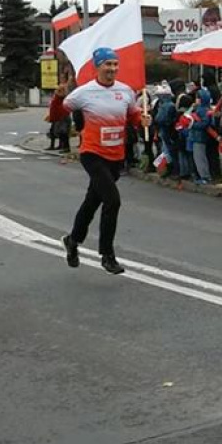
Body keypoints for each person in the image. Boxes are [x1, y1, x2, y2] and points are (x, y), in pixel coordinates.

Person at [60, 47, 144, 275]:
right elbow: (63, 108)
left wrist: (141, 119)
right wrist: (73, 120)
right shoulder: (84, 93)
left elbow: (133, 114)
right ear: (97, 67)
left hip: (115, 155)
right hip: (92, 153)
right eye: (107, 64)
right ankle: (107, 255)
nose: (112, 69)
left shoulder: (126, 91)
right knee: (112, 201)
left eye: (115, 64)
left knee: (92, 202)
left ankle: (73, 240)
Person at [47, 82, 74, 153]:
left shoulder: (62, 95)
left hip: (62, 116)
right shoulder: (57, 96)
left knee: (63, 132)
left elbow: (63, 94)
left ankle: (66, 148)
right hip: (58, 116)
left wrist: (59, 90)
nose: (56, 91)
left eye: (59, 89)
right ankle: (63, 147)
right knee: (58, 132)